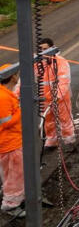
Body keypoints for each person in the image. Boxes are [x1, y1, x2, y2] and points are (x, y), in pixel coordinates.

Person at [38, 38, 76, 149]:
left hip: (60, 97)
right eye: (41, 49)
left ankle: (69, 140)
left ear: (52, 48)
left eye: (45, 49)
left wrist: (57, 96)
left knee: (65, 119)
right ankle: (52, 139)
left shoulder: (61, 62)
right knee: (48, 120)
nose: (43, 52)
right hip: (45, 98)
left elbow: (64, 81)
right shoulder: (37, 64)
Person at [0, 63, 24, 217]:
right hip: (9, 144)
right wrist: (22, 110)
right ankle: (10, 205)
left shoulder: (6, 94)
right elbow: (6, 121)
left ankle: (15, 196)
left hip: (12, 141)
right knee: (14, 176)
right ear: (12, 76)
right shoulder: (3, 97)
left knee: (13, 174)